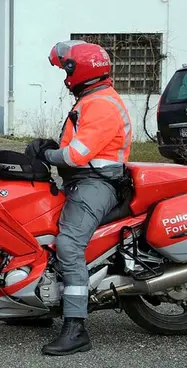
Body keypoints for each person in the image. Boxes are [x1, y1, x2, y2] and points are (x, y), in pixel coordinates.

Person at [27, 41, 132, 356]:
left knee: (69, 245)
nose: (65, 76)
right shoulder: (92, 99)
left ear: (81, 71)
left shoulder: (101, 104)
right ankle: (39, 306)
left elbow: (76, 154)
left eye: (67, 69)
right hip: (82, 180)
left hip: (97, 185)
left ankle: (76, 328)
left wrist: (45, 153)